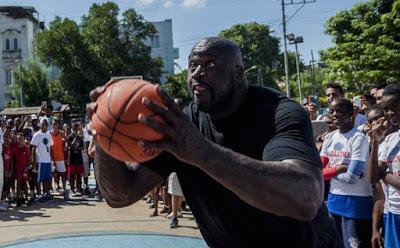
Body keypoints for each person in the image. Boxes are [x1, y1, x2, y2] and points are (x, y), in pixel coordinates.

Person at [88, 37, 338, 247]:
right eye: (192, 65)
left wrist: (200, 151)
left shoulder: (278, 112)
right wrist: (105, 132)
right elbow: (120, 195)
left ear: (237, 73)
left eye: (210, 65)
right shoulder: (181, 124)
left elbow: (306, 199)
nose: (197, 73)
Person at [320, 98, 372, 248]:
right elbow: (318, 171)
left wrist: (331, 171)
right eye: (331, 111)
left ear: (351, 114)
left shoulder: (359, 138)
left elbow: (352, 177)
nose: (334, 114)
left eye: (339, 111)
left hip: (356, 204)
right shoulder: (330, 137)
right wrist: (339, 168)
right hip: (334, 201)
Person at [367, 84, 400, 248]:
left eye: (395, 106)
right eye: (386, 109)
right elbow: (372, 177)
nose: (391, 113)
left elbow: (380, 175)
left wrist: (385, 175)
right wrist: (375, 141)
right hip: (394, 213)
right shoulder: (391, 139)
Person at [31, 118, 54, 201]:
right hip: (40, 160)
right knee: (39, 179)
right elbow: (33, 149)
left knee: (47, 178)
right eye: (43, 124)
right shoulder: (37, 135)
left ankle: (45, 194)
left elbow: (51, 148)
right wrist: (34, 162)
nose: (45, 125)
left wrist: (52, 161)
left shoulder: (48, 135)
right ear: (40, 124)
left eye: (46, 124)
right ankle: (39, 194)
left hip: (48, 160)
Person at [67, 123, 84, 195]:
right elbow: (70, 147)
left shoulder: (80, 137)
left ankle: (78, 188)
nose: (76, 130)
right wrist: (75, 138)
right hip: (72, 159)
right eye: (75, 129)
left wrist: (77, 148)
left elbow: (82, 147)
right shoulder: (69, 137)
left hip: (79, 159)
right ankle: (72, 189)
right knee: (72, 175)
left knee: (79, 175)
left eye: (77, 129)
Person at [50, 119, 67, 195]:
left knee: (62, 173)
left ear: (58, 125)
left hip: (60, 156)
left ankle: (64, 187)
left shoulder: (62, 133)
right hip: (52, 157)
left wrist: (65, 146)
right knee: (54, 173)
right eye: (53, 124)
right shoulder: (49, 133)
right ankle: (57, 186)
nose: (54, 126)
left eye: (55, 124)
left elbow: (66, 141)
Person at [14, 133, 30, 206]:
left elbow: (29, 160)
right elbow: (13, 160)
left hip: (25, 169)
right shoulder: (15, 148)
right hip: (18, 169)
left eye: (22, 139)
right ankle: (18, 199)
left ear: (24, 140)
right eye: (19, 139)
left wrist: (27, 168)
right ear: (17, 140)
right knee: (18, 184)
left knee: (25, 184)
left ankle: (27, 198)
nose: (20, 140)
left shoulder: (26, 148)